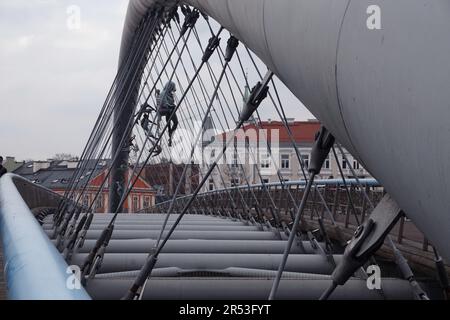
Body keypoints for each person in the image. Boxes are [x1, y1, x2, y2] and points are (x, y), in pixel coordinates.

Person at [158, 81, 179, 147]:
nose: (173, 89)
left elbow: (171, 103)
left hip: (171, 110)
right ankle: (169, 132)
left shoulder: (170, 94)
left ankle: (171, 136)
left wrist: (172, 106)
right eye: (172, 87)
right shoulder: (163, 93)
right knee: (169, 118)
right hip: (164, 109)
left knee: (176, 122)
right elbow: (164, 102)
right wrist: (170, 106)